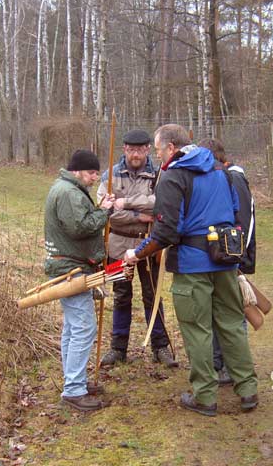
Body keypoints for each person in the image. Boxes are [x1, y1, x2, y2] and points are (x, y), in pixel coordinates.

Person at [123, 124, 259, 417]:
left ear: (171, 148)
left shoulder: (172, 176)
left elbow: (166, 232)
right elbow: (235, 213)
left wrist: (137, 253)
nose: (158, 157)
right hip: (225, 261)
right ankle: (247, 389)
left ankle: (205, 396)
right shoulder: (220, 171)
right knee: (232, 324)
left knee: (197, 329)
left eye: (159, 150)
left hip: (193, 265)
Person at [97, 129, 177, 368]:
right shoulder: (109, 175)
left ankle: (160, 346)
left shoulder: (159, 175)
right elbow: (107, 211)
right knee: (121, 296)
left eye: (140, 149)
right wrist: (138, 215)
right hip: (118, 246)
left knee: (153, 295)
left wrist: (130, 206)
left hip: (149, 246)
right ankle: (117, 348)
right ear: (124, 150)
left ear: (147, 150)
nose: (135, 154)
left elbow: (160, 206)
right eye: (131, 150)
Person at [44, 149, 115, 412]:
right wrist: (104, 211)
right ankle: (73, 389)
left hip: (70, 265)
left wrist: (98, 210)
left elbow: (79, 222)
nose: (95, 177)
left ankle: (75, 380)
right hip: (71, 269)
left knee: (73, 328)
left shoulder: (67, 189)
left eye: (97, 172)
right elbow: (79, 228)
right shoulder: (70, 193)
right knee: (83, 328)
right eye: (91, 172)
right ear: (77, 171)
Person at [198, 137, 255, 386]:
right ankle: (218, 362)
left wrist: (237, 256)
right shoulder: (222, 177)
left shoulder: (233, 178)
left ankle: (234, 368)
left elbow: (243, 221)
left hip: (232, 257)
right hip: (220, 256)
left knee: (233, 314)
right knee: (217, 312)